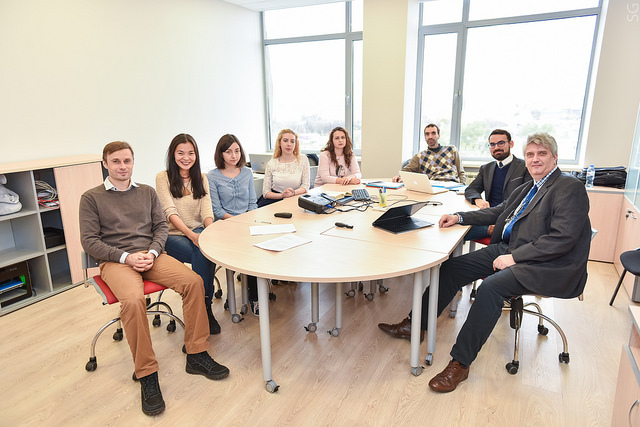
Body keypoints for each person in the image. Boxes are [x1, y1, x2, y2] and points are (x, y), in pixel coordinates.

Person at [378, 133, 591, 393]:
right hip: (512, 249)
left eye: (542, 154)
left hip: (546, 263)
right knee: (452, 268)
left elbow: (562, 239)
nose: (535, 159)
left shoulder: (568, 187)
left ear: (555, 157)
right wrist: (459, 217)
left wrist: (514, 257)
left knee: (491, 288)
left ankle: (460, 363)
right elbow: (499, 212)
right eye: (531, 154)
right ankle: (416, 325)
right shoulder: (529, 187)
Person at [80, 141, 229, 416]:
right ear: (105, 163)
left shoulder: (146, 192)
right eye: (116, 161)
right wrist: (127, 257)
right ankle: (147, 373)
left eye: (127, 161)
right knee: (133, 301)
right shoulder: (91, 197)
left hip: (151, 255)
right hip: (117, 261)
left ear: (133, 162)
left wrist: (151, 251)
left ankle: (197, 353)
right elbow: (89, 241)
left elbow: (161, 227)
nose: (122, 166)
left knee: (194, 282)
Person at [156, 133, 220, 335]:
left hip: (199, 231)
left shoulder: (202, 177)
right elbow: (170, 213)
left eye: (191, 153)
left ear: (196, 155)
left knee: (206, 250)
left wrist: (208, 232)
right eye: (181, 153)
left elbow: (207, 210)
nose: (186, 157)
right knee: (201, 252)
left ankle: (203, 307)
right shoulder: (163, 177)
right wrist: (193, 236)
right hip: (172, 234)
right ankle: (204, 309)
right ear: (173, 155)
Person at [207, 134, 261, 314]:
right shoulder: (212, 176)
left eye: (237, 151)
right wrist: (237, 222)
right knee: (248, 248)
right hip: (226, 225)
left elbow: (253, 202)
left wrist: (248, 220)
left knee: (257, 249)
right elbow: (217, 209)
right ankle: (253, 295)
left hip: (247, 222)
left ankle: (255, 296)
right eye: (228, 152)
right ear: (221, 154)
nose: (234, 155)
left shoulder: (247, 172)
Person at [463, 129, 532, 241]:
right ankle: (491, 231)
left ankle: (494, 231)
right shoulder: (486, 168)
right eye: (492, 144)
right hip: (489, 216)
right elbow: (471, 189)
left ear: (511, 144)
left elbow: (526, 199)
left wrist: (500, 223)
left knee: (461, 232)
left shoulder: (525, 167)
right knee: (454, 226)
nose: (496, 147)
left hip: (511, 218)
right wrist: (477, 199)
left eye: (501, 143)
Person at [392, 123, 466, 184]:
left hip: (452, 185)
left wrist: (463, 188)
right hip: (433, 187)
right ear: (425, 137)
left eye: (433, 133)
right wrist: (398, 176)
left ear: (439, 135)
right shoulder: (420, 156)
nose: (430, 136)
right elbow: (406, 171)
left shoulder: (452, 150)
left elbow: (461, 173)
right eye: (427, 134)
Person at [259, 128, 310, 207]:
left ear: (295, 144)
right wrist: (282, 195)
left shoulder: (303, 160)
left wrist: (293, 193)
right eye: (285, 140)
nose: (289, 144)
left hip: (295, 198)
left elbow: (306, 186)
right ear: (280, 143)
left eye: (292, 141)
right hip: (274, 200)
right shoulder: (271, 163)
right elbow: (266, 193)